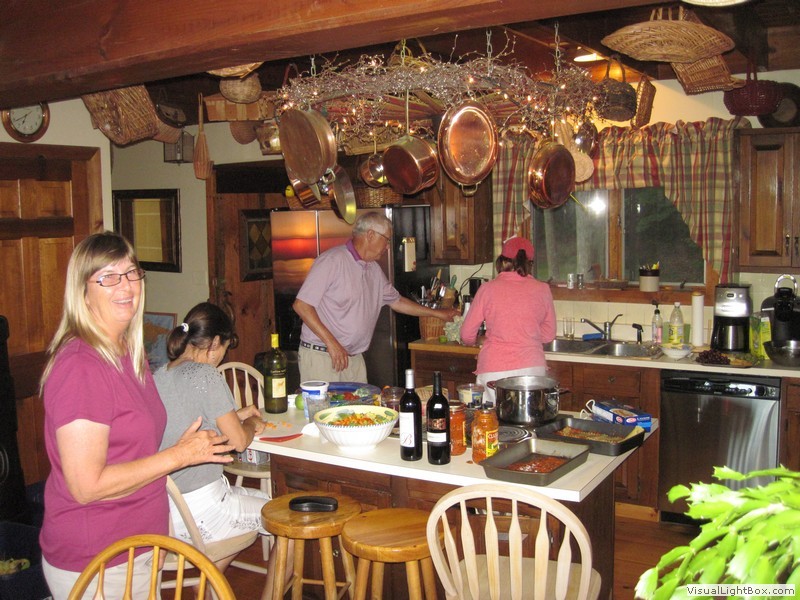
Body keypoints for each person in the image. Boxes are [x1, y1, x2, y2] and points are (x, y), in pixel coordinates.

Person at [39, 232, 234, 600]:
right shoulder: (81, 366)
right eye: (108, 277)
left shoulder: (129, 354)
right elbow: (86, 485)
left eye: (131, 272)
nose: (126, 285)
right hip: (98, 558)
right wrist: (177, 456)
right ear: (83, 292)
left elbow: (130, 452)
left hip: (138, 545)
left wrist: (178, 451)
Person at [155, 302, 268, 570]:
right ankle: (257, 588)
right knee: (283, 516)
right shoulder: (205, 374)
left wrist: (235, 416)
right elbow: (239, 442)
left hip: (166, 514)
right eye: (225, 349)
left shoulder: (160, 374)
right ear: (216, 342)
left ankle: (210, 582)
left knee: (264, 501)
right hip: (202, 513)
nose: (222, 357)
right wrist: (251, 422)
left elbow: (189, 420)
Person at [293, 211, 460, 383]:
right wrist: (332, 343)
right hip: (324, 355)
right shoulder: (332, 261)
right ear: (370, 235)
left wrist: (439, 314)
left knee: (361, 402)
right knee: (324, 403)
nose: (388, 246)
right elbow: (301, 306)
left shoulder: (373, 269)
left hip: (353, 359)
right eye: (386, 239)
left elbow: (397, 301)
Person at [459, 235, 557, 404]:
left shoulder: (487, 289)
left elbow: (466, 334)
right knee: (530, 418)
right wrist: (525, 335)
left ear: (503, 262)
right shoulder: (543, 289)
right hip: (532, 370)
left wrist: (479, 339)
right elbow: (549, 335)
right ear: (530, 263)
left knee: (492, 418)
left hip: (494, 370)